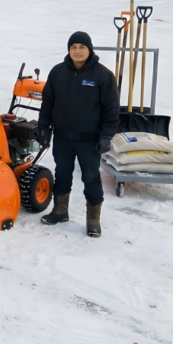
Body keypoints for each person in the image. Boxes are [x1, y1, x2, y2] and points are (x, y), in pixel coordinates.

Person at [35, 31, 119, 238]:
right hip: (63, 136)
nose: (77, 51)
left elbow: (111, 109)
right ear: (69, 50)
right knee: (62, 174)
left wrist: (106, 135)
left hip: (89, 140)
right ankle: (60, 211)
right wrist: (43, 127)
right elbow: (48, 102)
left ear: (89, 50)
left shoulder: (103, 76)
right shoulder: (57, 72)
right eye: (73, 47)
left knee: (91, 178)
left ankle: (93, 221)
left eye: (82, 47)